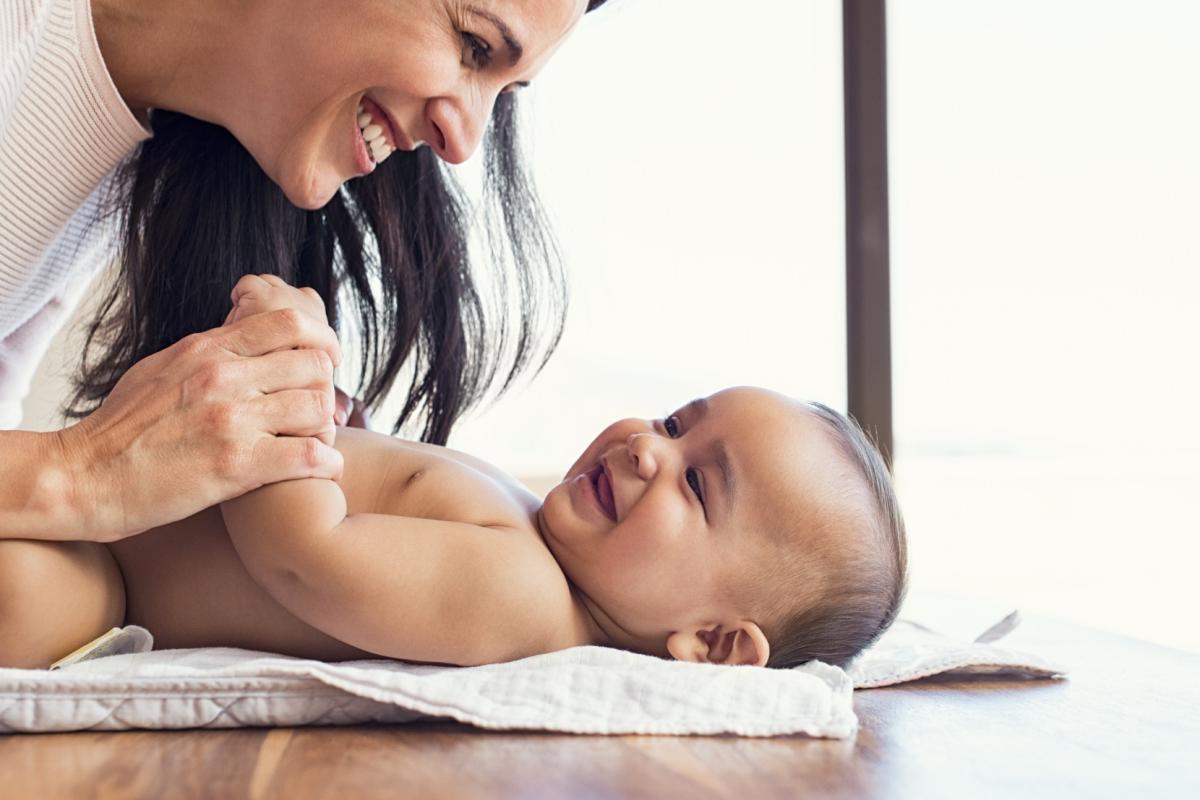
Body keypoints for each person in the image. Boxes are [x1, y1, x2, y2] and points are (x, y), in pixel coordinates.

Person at [0, 278, 908, 671]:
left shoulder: (524, 597)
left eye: (697, 486)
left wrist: (287, 384)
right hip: (117, 523)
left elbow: (305, 557)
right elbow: (382, 494)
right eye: (676, 423)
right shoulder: (533, 538)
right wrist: (354, 434)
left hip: (110, 586)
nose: (646, 449)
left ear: (712, 644)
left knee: (19, 589)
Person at [0, 0, 606, 546]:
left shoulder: (118, 147)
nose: (465, 143)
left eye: (506, 90)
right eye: (474, 46)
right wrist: (83, 471)